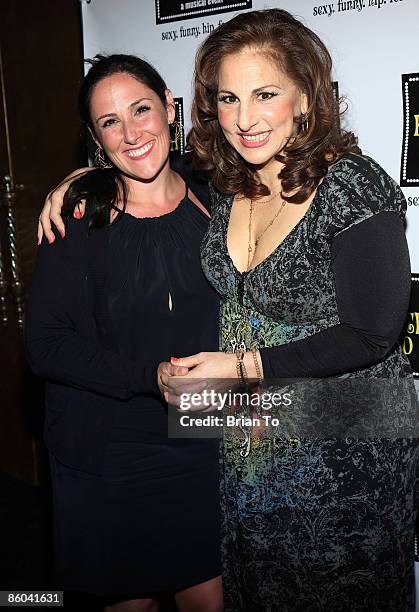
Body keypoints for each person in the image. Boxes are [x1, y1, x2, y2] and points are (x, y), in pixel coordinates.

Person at [38, 9, 418, 612]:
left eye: (264, 94)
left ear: (305, 95)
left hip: (342, 452)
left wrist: (239, 374)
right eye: (228, 98)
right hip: (241, 449)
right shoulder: (227, 180)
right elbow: (143, 176)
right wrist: (83, 179)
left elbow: (374, 336)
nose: (244, 118)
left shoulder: (353, 185)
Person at [26, 54, 223, 612]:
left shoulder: (216, 196)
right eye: (111, 122)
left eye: (141, 110)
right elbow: (47, 345)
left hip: (200, 437)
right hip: (108, 447)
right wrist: (146, 377)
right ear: (95, 136)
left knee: (209, 599)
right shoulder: (77, 216)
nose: (132, 133)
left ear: (167, 104)